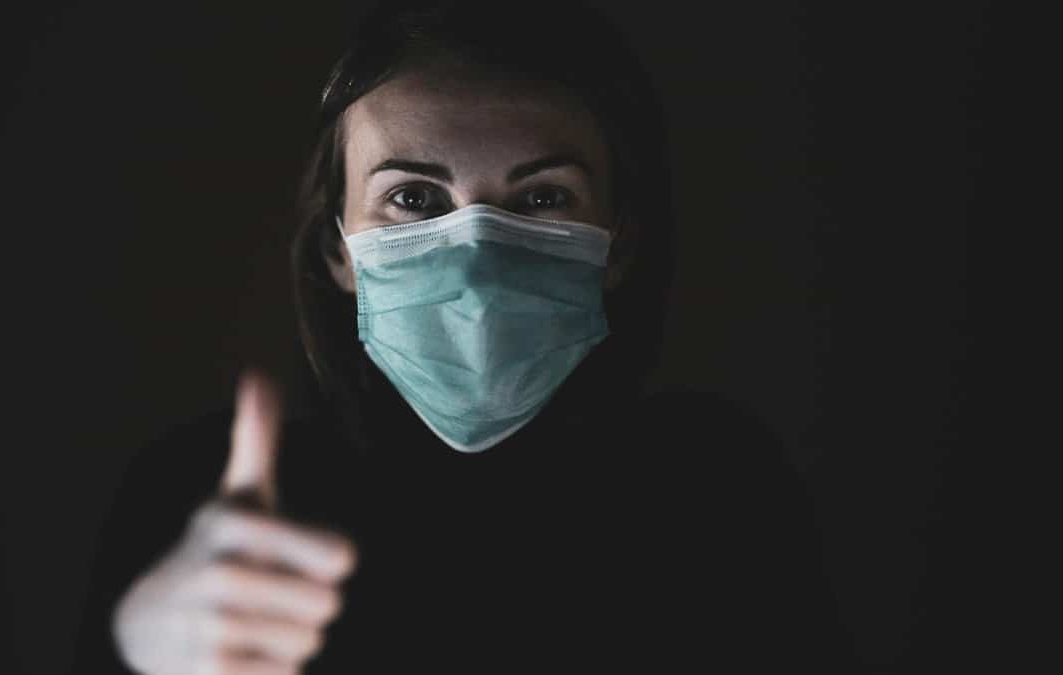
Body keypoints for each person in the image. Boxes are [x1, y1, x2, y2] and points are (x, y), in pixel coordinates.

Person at [71, 1, 860, 672]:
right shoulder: (204, 506)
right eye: (414, 197)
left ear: (618, 242)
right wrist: (141, 656)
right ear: (336, 250)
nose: (478, 265)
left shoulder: (719, 493)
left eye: (545, 196)